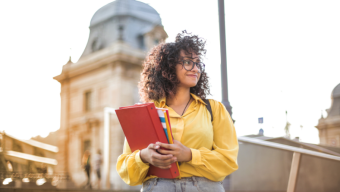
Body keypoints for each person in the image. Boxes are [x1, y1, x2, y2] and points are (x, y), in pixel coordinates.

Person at [116, 31, 239, 192]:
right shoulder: (146, 113)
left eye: (198, 63)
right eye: (188, 62)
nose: (195, 69)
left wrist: (189, 155)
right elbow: (127, 172)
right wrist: (144, 156)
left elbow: (228, 161)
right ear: (168, 66)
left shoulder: (214, 109)